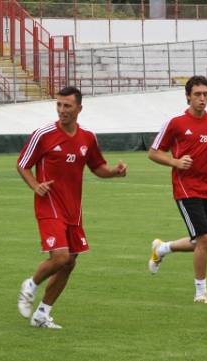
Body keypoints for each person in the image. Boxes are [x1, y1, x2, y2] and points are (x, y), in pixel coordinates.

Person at [16, 86, 127, 329]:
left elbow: (98, 167)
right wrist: (35, 185)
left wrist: (115, 173)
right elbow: (23, 164)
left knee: (69, 263)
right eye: (59, 105)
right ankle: (31, 285)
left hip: (73, 210)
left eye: (67, 106)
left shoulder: (87, 137)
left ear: (79, 108)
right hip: (49, 206)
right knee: (61, 257)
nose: (62, 110)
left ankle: (43, 314)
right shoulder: (43, 134)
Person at [147, 75, 207, 304]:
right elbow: (154, 152)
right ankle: (200, 293)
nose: (202, 98)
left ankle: (162, 249)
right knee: (205, 238)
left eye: (206, 94)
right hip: (185, 188)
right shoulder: (175, 122)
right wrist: (175, 162)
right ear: (188, 96)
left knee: (199, 241)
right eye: (197, 94)